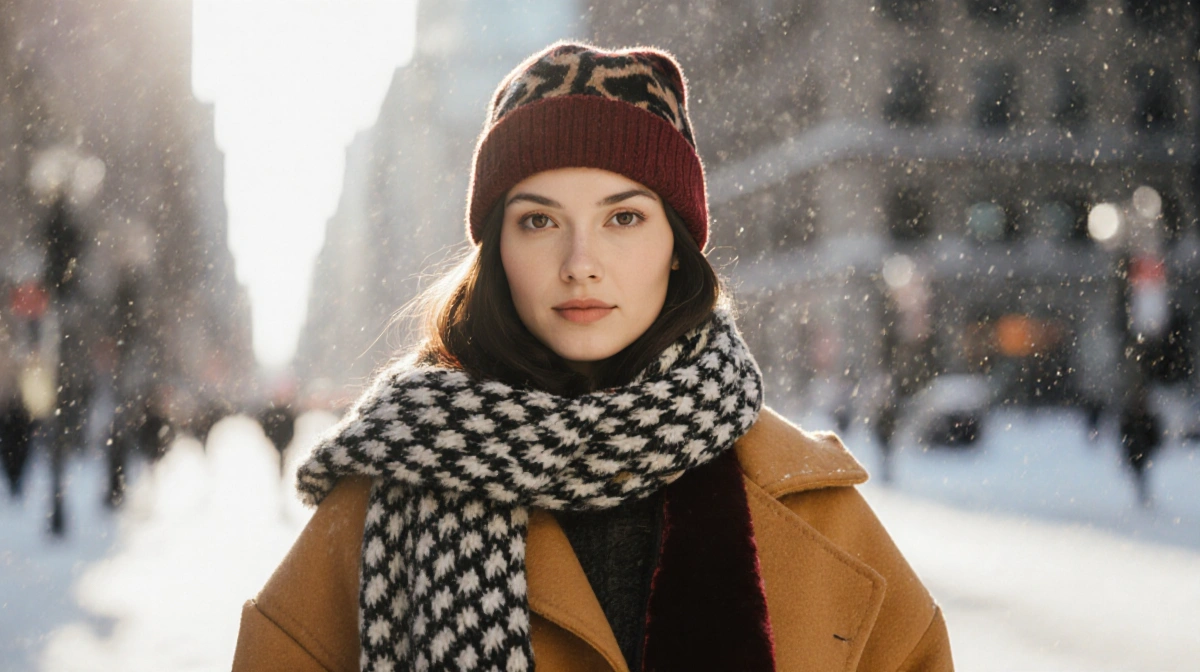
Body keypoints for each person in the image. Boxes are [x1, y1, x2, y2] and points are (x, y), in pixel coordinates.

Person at [233, 42, 952, 672]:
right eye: (539, 221)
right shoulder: (380, 503)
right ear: (497, 251)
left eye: (623, 217)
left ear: (677, 248)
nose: (580, 262)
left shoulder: (820, 513)